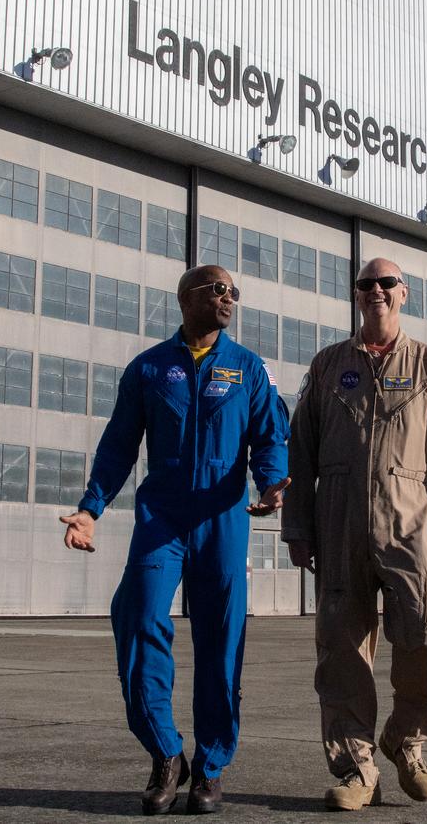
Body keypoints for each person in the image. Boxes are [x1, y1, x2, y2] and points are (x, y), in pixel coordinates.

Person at [59, 265, 290, 816]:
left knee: (221, 642)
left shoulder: (248, 368)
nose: (229, 297)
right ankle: (166, 753)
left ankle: (210, 766)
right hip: (161, 519)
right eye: (217, 289)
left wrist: (272, 482)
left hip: (223, 518)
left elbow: (268, 435)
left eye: (234, 292)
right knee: (138, 619)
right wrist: (90, 508)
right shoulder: (149, 368)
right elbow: (118, 445)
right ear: (186, 298)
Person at [281, 257, 427, 811]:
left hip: (408, 519)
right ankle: (357, 770)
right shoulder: (328, 366)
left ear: (404, 294)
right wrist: (297, 524)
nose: (376, 291)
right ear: (356, 294)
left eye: (386, 283)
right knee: (342, 648)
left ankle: (406, 740)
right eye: (367, 284)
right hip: (338, 519)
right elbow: (301, 449)